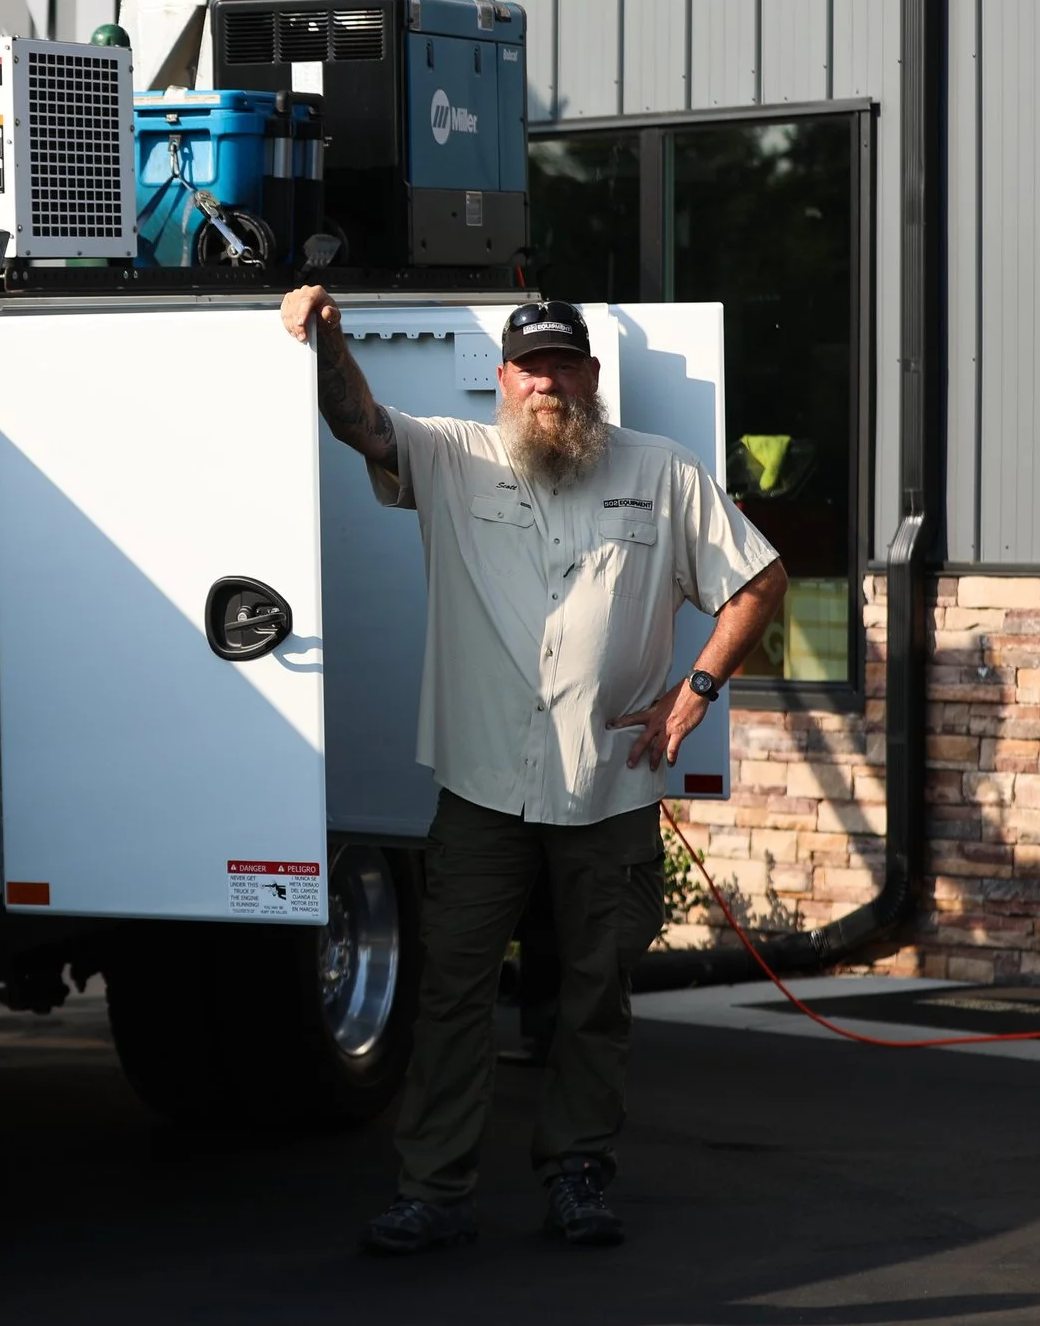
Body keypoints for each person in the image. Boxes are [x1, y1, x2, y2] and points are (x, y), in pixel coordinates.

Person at [280, 286, 787, 1255]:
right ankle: (434, 1188)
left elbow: (759, 582)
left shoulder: (663, 471)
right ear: (504, 379)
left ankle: (578, 1175)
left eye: (564, 364)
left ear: (590, 376)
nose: (547, 381)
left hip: (610, 784)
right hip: (481, 785)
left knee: (592, 992)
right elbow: (356, 421)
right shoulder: (451, 454)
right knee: (452, 990)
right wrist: (330, 342)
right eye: (530, 366)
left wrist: (696, 693)